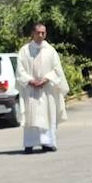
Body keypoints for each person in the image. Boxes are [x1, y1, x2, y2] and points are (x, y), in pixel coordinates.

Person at [16, 23, 68, 152]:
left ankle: (48, 143)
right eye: (38, 32)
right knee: (31, 115)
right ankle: (29, 144)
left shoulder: (50, 50)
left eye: (43, 33)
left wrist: (46, 79)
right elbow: (20, 70)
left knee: (47, 115)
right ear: (32, 33)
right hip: (31, 89)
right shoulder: (24, 50)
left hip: (46, 89)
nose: (40, 35)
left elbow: (57, 70)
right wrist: (30, 81)